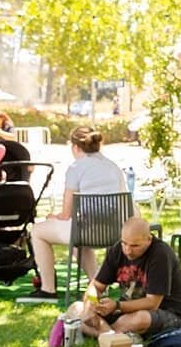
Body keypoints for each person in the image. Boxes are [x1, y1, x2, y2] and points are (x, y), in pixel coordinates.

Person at [22, 126, 125, 302]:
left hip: (87, 230)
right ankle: (98, 283)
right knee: (78, 234)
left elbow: (66, 214)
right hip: (116, 231)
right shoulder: (113, 167)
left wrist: (52, 217)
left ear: (76, 147)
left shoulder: (76, 168)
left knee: (38, 231)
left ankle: (48, 289)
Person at [80, 217, 181, 341]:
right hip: (126, 312)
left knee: (138, 319)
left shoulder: (161, 254)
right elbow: (96, 286)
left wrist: (116, 305)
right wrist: (90, 305)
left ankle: (103, 333)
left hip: (167, 314)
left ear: (149, 239)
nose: (127, 250)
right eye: (124, 243)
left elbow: (152, 303)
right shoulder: (117, 249)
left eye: (135, 246)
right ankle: (114, 336)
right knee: (76, 309)